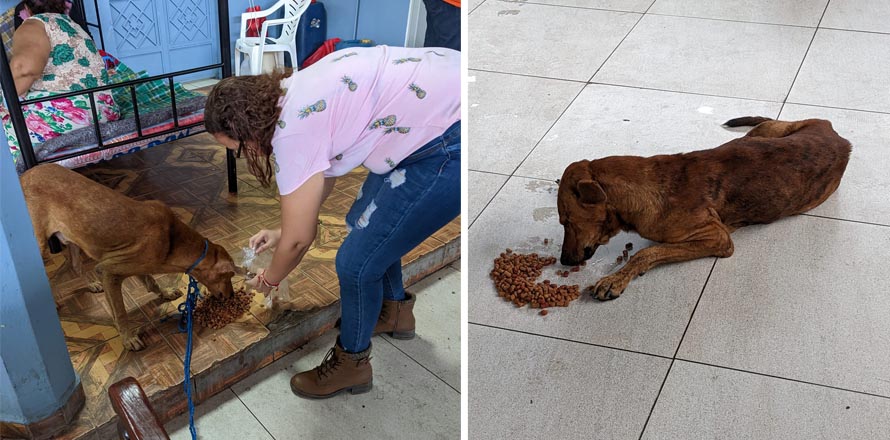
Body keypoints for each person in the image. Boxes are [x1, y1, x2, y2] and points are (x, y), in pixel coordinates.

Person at [204, 45, 460, 399]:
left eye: (237, 148)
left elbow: (300, 240)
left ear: (247, 127)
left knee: (355, 264)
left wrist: (270, 279)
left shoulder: (290, 131)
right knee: (362, 221)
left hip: (448, 137)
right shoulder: (291, 93)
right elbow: (321, 173)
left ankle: (352, 364)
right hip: (435, 102)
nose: (243, 155)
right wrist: (282, 232)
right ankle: (395, 312)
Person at [2, 0, 119, 161]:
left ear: (26, 9)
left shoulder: (33, 25)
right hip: (104, 110)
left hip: (75, 116)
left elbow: (25, 71)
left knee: (6, 117)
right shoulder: (71, 24)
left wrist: (5, 102)